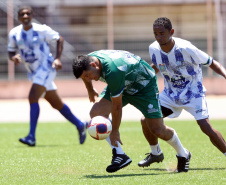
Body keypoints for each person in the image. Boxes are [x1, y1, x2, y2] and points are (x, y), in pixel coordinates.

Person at [72, 49, 191, 173]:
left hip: (144, 86)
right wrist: (90, 90)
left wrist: (115, 131)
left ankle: (183, 154)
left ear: (93, 65)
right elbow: (84, 76)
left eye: (88, 75)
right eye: (85, 77)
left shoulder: (113, 71)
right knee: (96, 113)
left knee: (157, 129)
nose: (88, 78)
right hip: (123, 83)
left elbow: (116, 106)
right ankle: (120, 155)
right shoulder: (88, 61)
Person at [138, 17, 226, 168]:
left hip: (194, 94)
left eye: (162, 33)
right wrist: (142, 77)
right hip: (170, 95)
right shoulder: (153, 48)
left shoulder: (186, 48)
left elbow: (211, 62)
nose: (158, 37)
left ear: (171, 32)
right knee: (146, 120)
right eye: (155, 34)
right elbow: (159, 65)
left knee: (206, 128)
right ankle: (155, 153)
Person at [7, 6, 87, 146]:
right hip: (33, 71)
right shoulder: (14, 33)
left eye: (28, 13)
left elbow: (59, 38)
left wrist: (57, 58)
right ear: (19, 17)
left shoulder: (41, 29)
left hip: (46, 67)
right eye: (22, 14)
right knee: (55, 103)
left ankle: (31, 136)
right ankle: (80, 124)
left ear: (31, 15)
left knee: (32, 97)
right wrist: (14, 58)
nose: (25, 16)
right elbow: (11, 51)